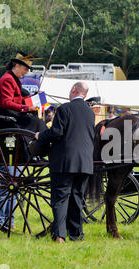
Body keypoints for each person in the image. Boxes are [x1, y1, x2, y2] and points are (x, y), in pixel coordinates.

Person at [0, 51, 46, 229]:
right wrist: (25, 107)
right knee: (34, 121)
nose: (26, 72)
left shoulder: (14, 80)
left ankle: (37, 147)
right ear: (16, 65)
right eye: (25, 68)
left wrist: (33, 101)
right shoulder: (7, 79)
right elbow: (6, 102)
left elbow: (19, 98)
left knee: (36, 120)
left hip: (10, 116)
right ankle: (36, 147)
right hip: (3, 117)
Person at [35, 82, 95, 243]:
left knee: (60, 198)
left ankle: (60, 235)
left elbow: (56, 133)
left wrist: (40, 136)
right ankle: (76, 234)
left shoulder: (64, 109)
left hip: (65, 162)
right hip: (85, 163)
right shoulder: (90, 113)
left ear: (74, 90)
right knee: (77, 198)